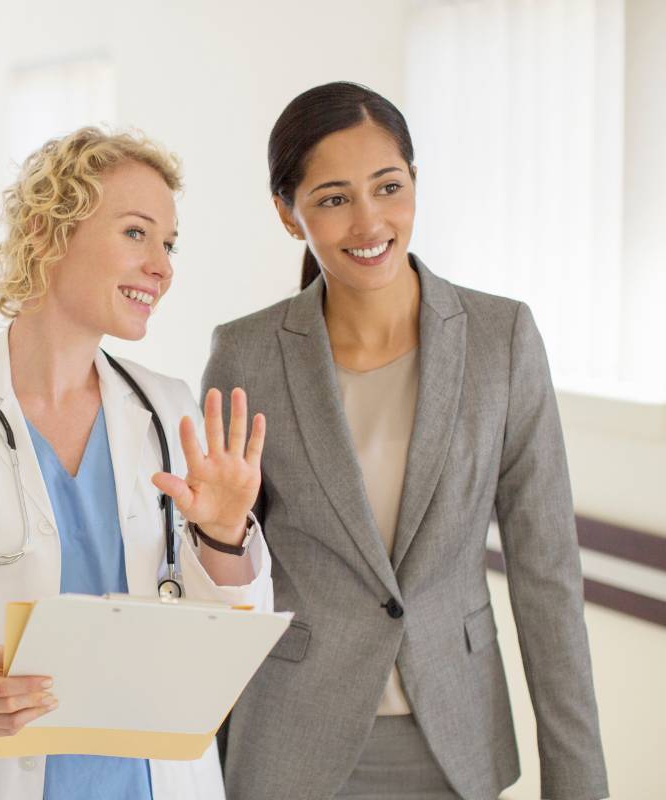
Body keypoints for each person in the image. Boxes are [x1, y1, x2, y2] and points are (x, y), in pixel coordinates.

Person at [0, 126, 272, 800]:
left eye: (169, 244)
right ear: (46, 231)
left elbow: (218, 637)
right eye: (136, 233)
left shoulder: (169, 411)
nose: (163, 266)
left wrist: (224, 536)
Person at [209, 83, 608, 799]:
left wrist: (579, 783)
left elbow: (548, 574)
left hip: (454, 742)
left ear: (414, 183)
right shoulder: (246, 354)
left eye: (388, 187)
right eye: (332, 198)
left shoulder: (501, 339)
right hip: (289, 744)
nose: (370, 221)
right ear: (287, 214)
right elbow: (216, 568)